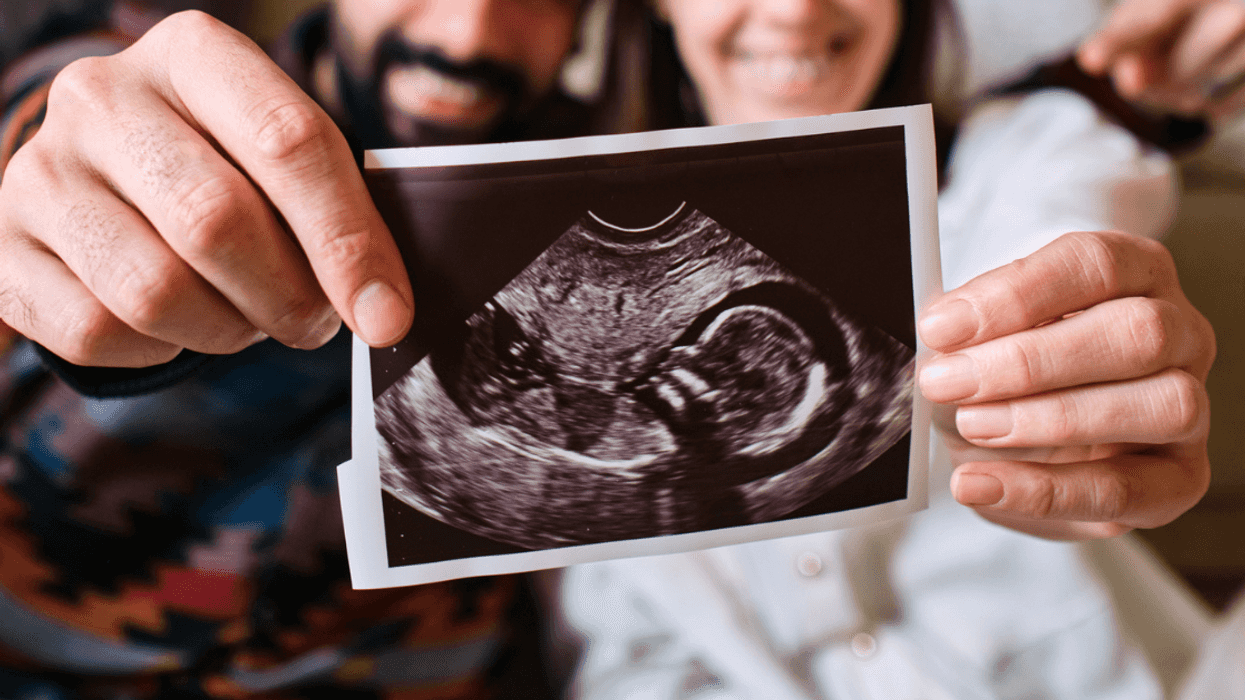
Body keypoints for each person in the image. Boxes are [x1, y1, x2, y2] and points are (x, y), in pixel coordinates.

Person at [550, 0, 1215, 696]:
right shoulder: (546, 272)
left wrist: (1058, 355)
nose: (794, 10)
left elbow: (1058, 217)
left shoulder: (1013, 161)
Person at [0, 1, 623, 697]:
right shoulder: (147, 89)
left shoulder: (616, 191)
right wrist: (53, 164)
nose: (466, 34)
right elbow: (61, 119)